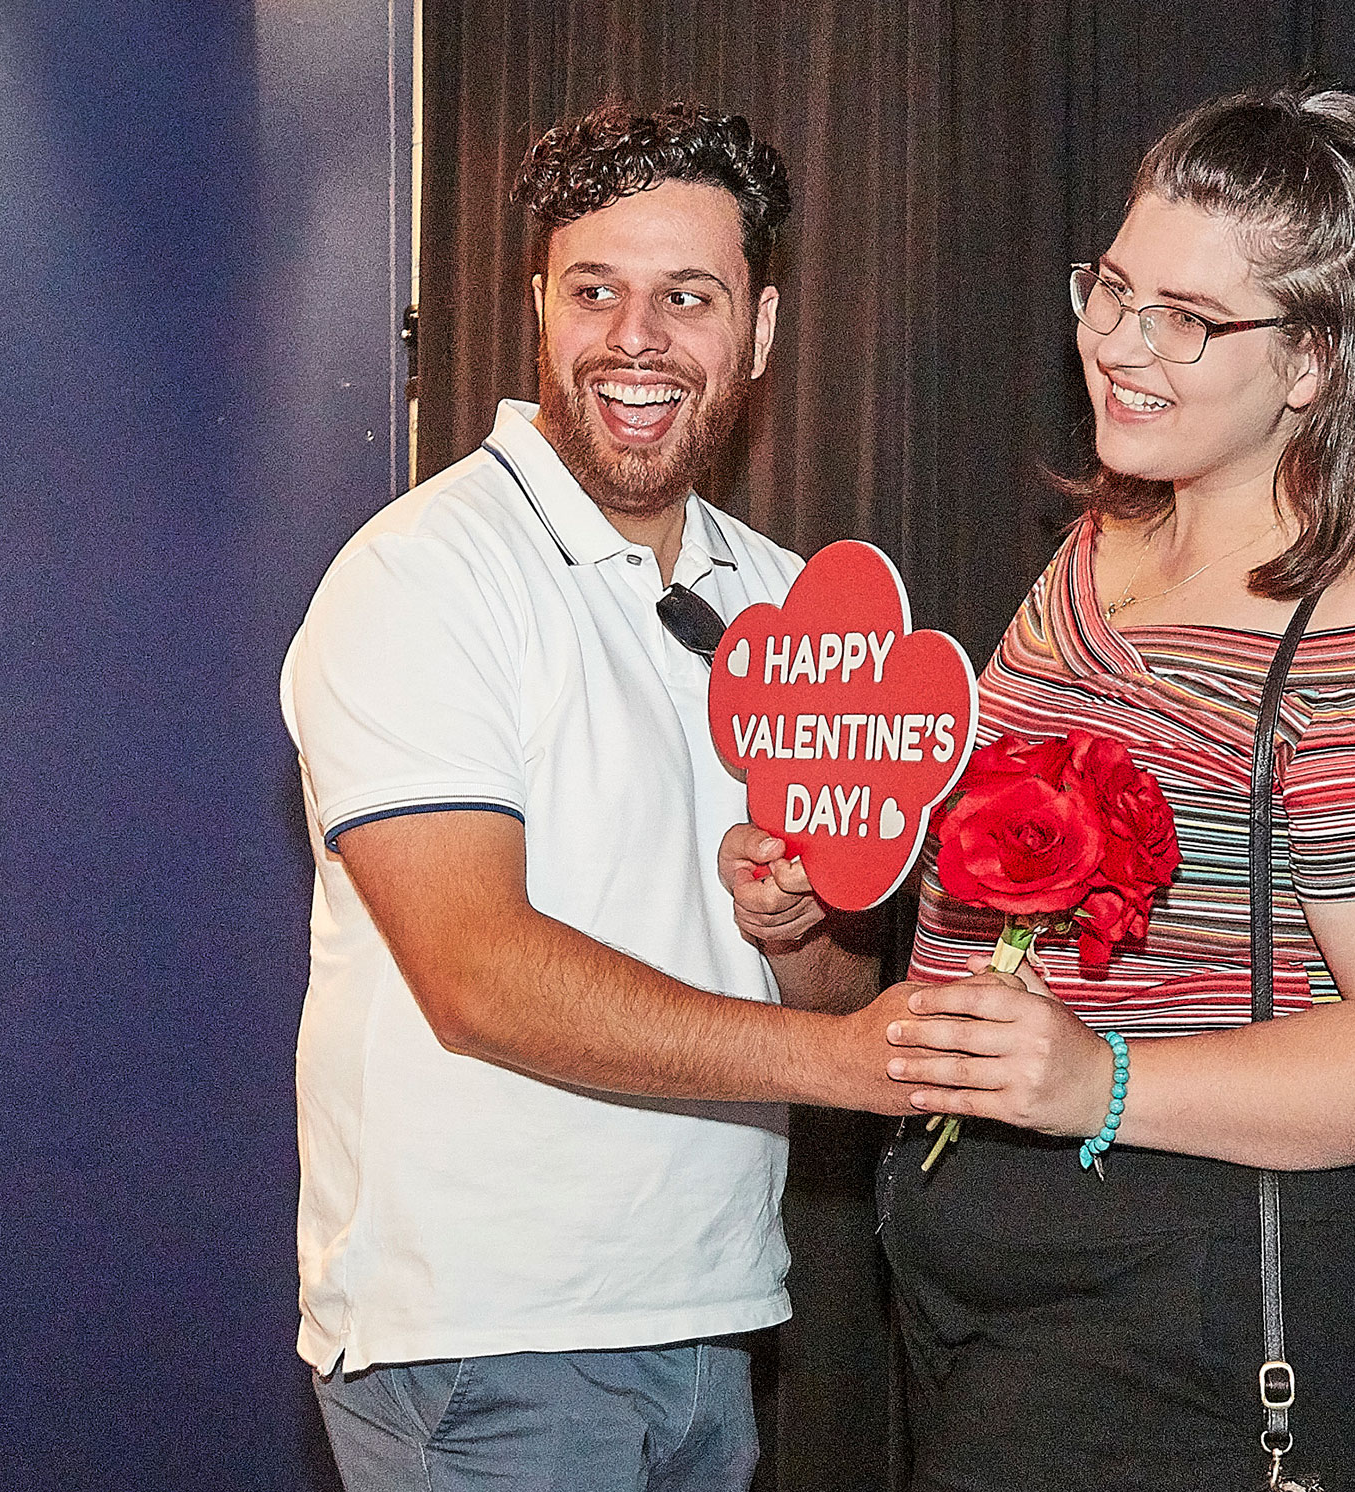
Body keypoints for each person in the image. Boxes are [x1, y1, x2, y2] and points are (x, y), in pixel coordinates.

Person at [863, 82, 1355, 1491]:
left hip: (1213, 1350)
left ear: (1311, 363)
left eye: (1188, 318)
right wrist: (821, 897)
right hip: (987, 1319)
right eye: (1113, 289)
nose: (1120, 343)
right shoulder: (1087, 559)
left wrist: (1101, 1082)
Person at [280, 101, 912, 1492]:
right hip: (481, 1344)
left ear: (759, 330)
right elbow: (479, 975)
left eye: (687, 296)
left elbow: (834, 993)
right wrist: (846, 1065)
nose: (636, 338)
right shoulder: (423, 575)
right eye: (594, 291)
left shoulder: (793, 602)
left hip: (711, 1317)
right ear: (538, 308)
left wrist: (799, 925)